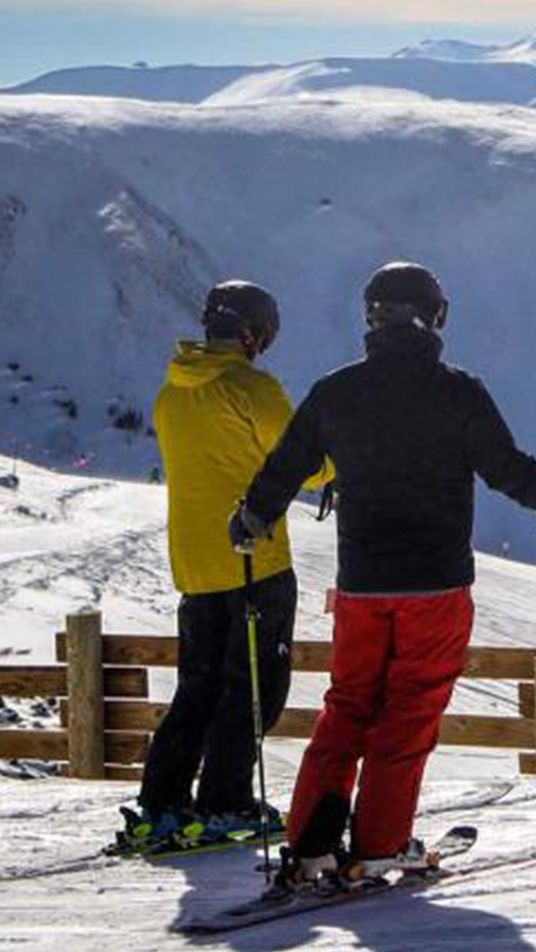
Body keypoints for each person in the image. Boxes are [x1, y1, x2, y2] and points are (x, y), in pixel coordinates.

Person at [229, 261, 536, 890]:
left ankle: (312, 842)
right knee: (408, 710)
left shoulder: (336, 390)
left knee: (347, 705)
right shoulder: (456, 392)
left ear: (372, 318)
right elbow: (507, 469)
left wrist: (253, 516)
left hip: (362, 584)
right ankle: (380, 843)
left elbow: (284, 466)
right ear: (437, 318)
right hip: (435, 583)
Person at [118, 281, 326, 855]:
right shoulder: (251, 387)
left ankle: (161, 803)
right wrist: (332, 467)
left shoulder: (171, 392)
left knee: (198, 687)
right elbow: (300, 463)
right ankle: (226, 800)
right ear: (254, 333)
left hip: (193, 562)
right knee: (256, 686)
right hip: (254, 558)